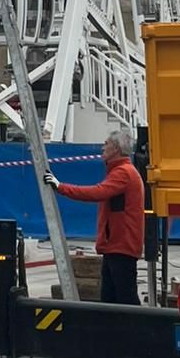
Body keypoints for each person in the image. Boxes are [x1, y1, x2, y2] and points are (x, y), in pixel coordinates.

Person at [44, 126, 144, 304]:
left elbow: (97, 192)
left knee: (124, 298)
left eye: (105, 144)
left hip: (121, 245)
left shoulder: (123, 173)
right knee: (112, 298)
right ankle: (117, 330)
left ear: (116, 148)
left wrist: (61, 187)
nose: (102, 148)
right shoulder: (120, 171)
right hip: (116, 245)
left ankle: (134, 330)